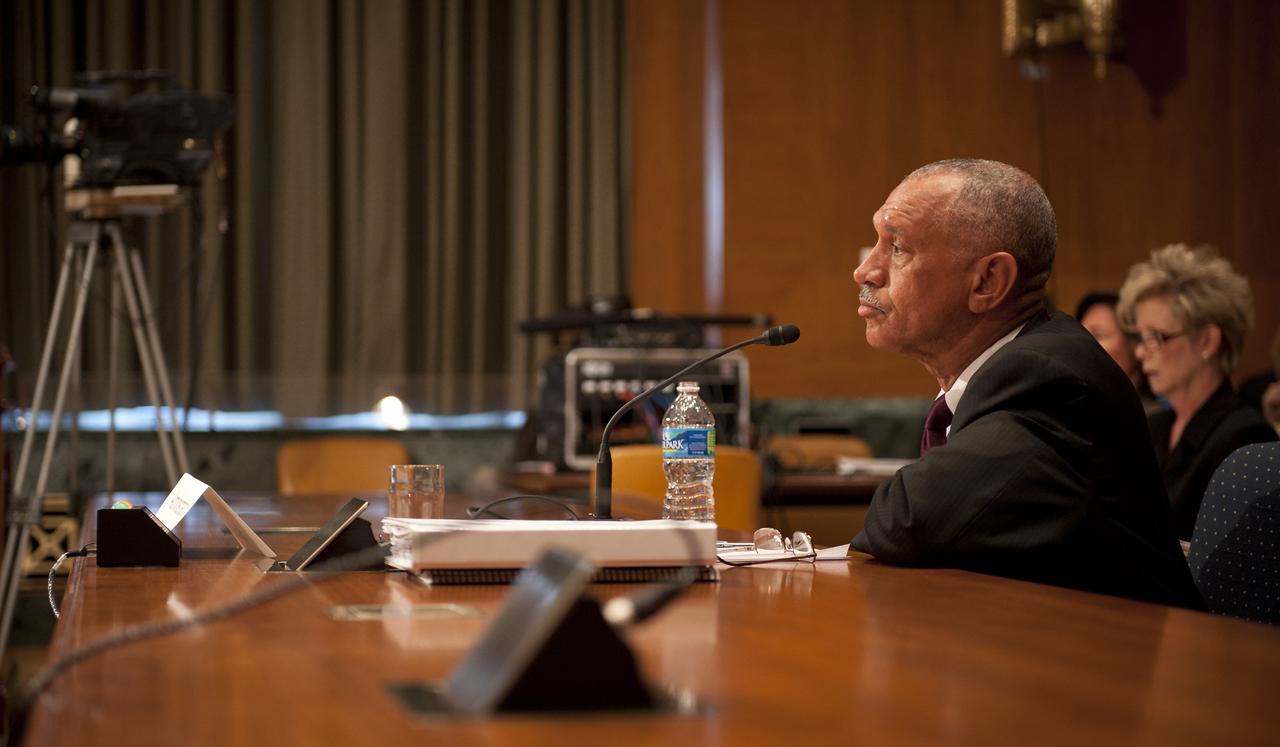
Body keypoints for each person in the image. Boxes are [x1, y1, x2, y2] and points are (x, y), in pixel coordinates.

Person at [849, 159, 1201, 608]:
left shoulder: (1049, 379)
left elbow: (908, 518)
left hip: (1112, 664)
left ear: (988, 282)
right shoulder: (1015, 367)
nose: (866, 272)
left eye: (897, 248)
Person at [1116, 244, 1278, 540]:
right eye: (1140, 338)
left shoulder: (1245, 439)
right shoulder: (1153, 427)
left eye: (1157, 337)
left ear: (1207, 341)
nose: (1140, 352)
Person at [1074, 290, 1154, 406]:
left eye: (1098, 335)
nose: (1083, 345)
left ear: (1135, 342)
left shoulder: (1162, 416)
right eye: (1081, 335)